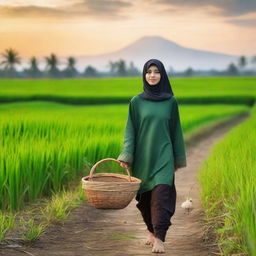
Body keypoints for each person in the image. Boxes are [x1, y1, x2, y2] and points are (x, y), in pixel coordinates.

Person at [117, 59, 187, 254]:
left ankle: (160, 237)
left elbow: (176, 131)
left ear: (162, 75)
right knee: (145, 199)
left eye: (157, 71)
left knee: (162, 197)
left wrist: (177, 158)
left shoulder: (171, 101)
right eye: (149, 71)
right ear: (144, 75)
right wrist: (127, 155)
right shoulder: (136, 102)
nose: (153, 75)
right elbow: (130, 132)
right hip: (143, 157)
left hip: (164, 156)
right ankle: (150, 230)